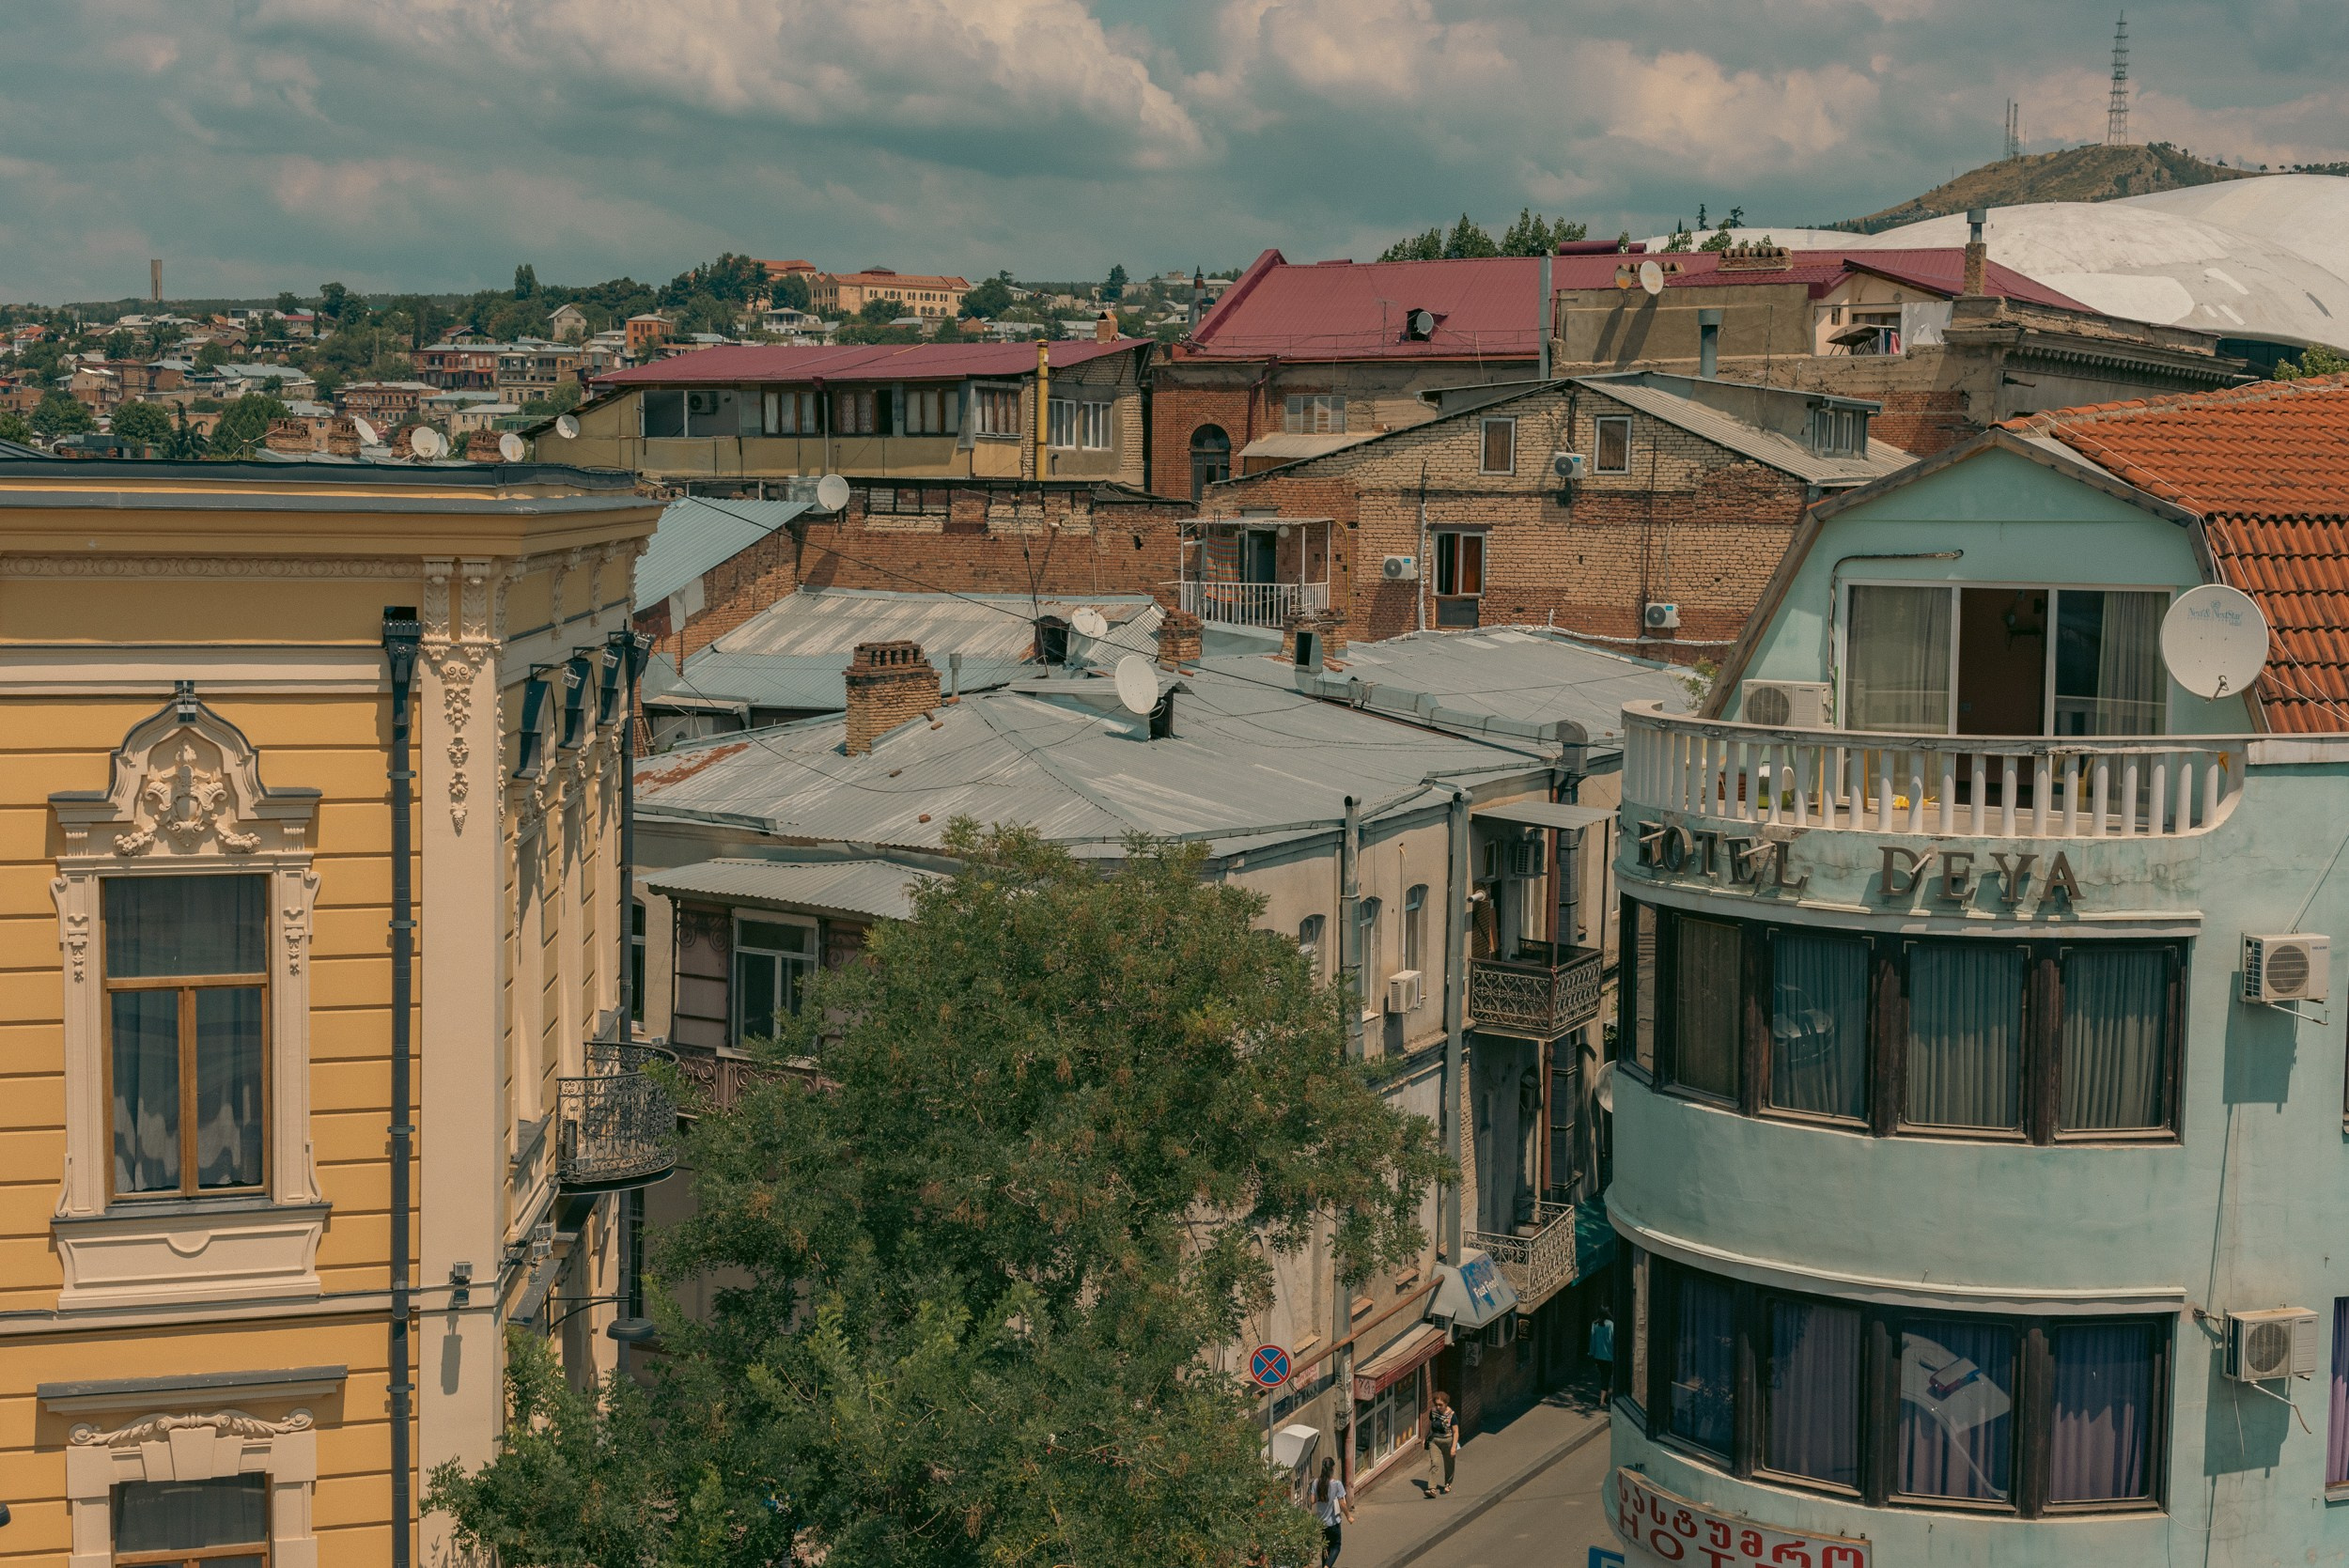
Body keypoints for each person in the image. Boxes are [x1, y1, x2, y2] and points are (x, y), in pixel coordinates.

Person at [1311, 1455, 1352, 1565]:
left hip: (1322, 1523)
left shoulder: (1316, 1482)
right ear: (1332, 1469)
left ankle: (1325, 1565)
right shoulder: (1337, 1484)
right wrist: (1348, 1516)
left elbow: (1312, 1500)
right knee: (1336, 1547)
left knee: (1325, 1548)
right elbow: (1342, 1503)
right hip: (1333, 1523)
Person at [1424, 1389, 1458, 1496]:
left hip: (1447, 1441)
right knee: (1435, 1463)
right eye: (1436, 1404)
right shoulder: (1433, 1411)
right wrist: (1426, 1437)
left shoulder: (1452, 1415)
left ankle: (1448, 1483)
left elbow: (1456, 1432)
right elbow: (1429, 1424)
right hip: (1434, 1441)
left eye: (1441, 1405)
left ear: (1446, 1403)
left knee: (1449, 1464)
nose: (1438, 1407)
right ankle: (1432, 1488)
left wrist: (1453, 1447)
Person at [1589, 1307, 1616, 1408]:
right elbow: (1614, 1339)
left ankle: (1605, 1394)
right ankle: (1602, 1400)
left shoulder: (1594, 1324)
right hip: (1609, 1356)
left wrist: (1591, 1353)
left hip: (1598, 1356)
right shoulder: (1611, 1325)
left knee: (1603, 1376)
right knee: (1606, 1377)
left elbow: (1592, 1340)